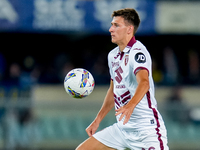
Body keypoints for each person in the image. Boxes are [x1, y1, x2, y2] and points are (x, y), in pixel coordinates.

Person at [76, 8, 169, 150]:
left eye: (116, 25)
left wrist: (130, 105)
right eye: (112, 25)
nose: (110, 29)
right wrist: (97, 120)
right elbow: (113, 90)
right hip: (123, 129)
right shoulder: (112, 56)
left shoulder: (138, 52)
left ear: (129, 29)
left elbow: (144, 83)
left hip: (146, 130)